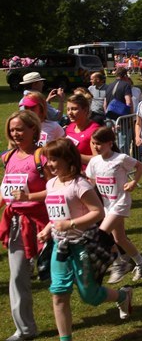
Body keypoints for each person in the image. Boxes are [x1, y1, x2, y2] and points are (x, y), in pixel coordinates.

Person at [37, 139, 134, 340]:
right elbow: (56, 215)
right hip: (60, 247)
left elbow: (98, 212)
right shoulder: (51, 183)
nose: (49, 164)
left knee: (89, 295)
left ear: (68, 159)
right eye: (48, 159)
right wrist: (48, 228)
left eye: (54, 159)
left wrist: (71, 224)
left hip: (83, 247)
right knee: (59, 293)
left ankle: (123, 296)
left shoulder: (80, 184)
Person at [0, 111, 49, 341]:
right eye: (12, 129)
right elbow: (6, 191)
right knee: (18, 275)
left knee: (72, 278)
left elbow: (59, 189)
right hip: (18, 223)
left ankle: (117, 295)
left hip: (48, 223)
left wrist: (30, 195)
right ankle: (25, 329)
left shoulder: (42, 157)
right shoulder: (8, 157)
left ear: (33, 129)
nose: (15, 133)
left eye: (20, 129)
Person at [86, 127, 142, 284]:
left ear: (110, 143)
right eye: (94, 143)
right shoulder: (94, 162)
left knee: (102, 233)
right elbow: (91, 182)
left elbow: (140, 167)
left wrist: (134, 182)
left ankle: (119, 263)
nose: (96, 147)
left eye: (99, 144)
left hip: (121, 203)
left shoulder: (120, 158)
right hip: (107, 205)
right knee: (119, 238)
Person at [64, 94, 101, 169]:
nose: (69, 113)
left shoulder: (94, 130)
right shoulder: (70, 127)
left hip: (88, 176)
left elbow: (98, 159)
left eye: (74, 109)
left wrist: (74, 156)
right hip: (71, 173)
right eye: (68, 109)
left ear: (85, 110)